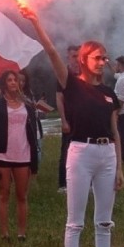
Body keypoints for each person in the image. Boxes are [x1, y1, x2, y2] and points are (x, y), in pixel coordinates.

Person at [21, 6, 123, 247]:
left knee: (104, 221)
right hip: (81, 152)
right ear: (83, 60)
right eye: (97, 57)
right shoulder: (72, 85)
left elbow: (115, 131)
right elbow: (52, 51)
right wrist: (36, 22)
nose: (103, 62)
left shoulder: (108, 93)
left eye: (105, 57)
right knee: (75, 221)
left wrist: (119, 168)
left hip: (106, 155)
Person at [0, 70, 39, 242]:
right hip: (3, 154)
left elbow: (33, 133)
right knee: (4, 193)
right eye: (9, 80)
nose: (13, 83)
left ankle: (22, 233)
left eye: (15, 80)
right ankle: (4, 233)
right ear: (4, 84)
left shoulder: (28, 105)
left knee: (22, 195)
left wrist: (34, 161)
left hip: (23, 154)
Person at [56, 44, 80, 193]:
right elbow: (59, 98)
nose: (77, 60)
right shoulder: (63, 74)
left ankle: (84, 181)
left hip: (84, 118)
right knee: (66, 150)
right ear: (68, 57)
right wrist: (64, 120)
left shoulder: (86, 73)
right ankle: (63, 183)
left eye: (79, 56)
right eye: (74, 56)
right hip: (70, 119)